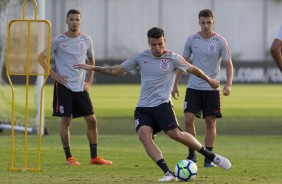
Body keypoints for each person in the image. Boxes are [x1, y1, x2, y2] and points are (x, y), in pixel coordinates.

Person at [73, 27, 231, 182]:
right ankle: (168, 173)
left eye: (160, 44)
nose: (157, 48)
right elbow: (115, 71)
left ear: (165, 41)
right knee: (144, 135)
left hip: (162, 105)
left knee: (176, 135)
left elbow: (193, 69)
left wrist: (209, 80)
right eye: (154, 44)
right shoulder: (140, 57)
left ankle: (211, 156)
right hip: (143, 108)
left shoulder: (172, 58)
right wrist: (92, 67)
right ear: (148, 42)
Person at [38, 9, 112, 166]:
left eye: (77, 19)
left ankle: (94, 157)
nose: (74, 22)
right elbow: (41, 58)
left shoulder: (86, 39)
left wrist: (89, 81)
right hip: (64, 86)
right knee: (66, 121)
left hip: (80, 88)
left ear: (81, 21)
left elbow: (91, 60)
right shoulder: (59, 40)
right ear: (67, 22)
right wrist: (53, 74)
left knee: (92, 120)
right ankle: (69, 158)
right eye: (71, 19)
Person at [172, 9, 233, 167]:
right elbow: (183, 62)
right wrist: (175, 83)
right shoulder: (192, 40)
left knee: (210, 123)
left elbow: (228, 63)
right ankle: (192, 154)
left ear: (213, 21)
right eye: (203, 22)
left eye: (209, 22)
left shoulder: (220, 41)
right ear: (199, 23)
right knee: (188, 119)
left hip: (212, 89)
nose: (206, 25)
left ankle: (209, 157)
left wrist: (228, 84)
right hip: (193, 88)